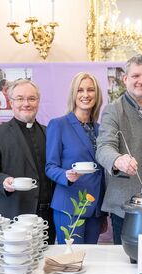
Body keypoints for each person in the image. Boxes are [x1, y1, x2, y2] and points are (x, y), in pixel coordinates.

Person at [96, 54, 142, 245]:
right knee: (128, 262)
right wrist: (118, 160)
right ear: (125, 79)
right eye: (136, 76)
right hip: (125, 205)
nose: (141, 81)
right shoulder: (113, 110)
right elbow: (103, 147)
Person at [0, 79, 56, 243]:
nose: (26, 103)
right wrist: (4, 181)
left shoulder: (49, 132)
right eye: (20, 98)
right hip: (13, 214)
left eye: (31, 98)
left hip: (46, 217)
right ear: (11, 102)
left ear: (38, 101)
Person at [45, 72, 106, 244]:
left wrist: (102, 212)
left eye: (90, 90)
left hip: (95, 208)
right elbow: (50, 166)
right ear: (74, 94)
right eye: (80, 90)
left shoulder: (101, 129)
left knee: (90, 261)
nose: (86, 95)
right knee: (71, 262)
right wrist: (66, 175)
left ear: (97, 94)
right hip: (69, 205)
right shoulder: (59, 124)